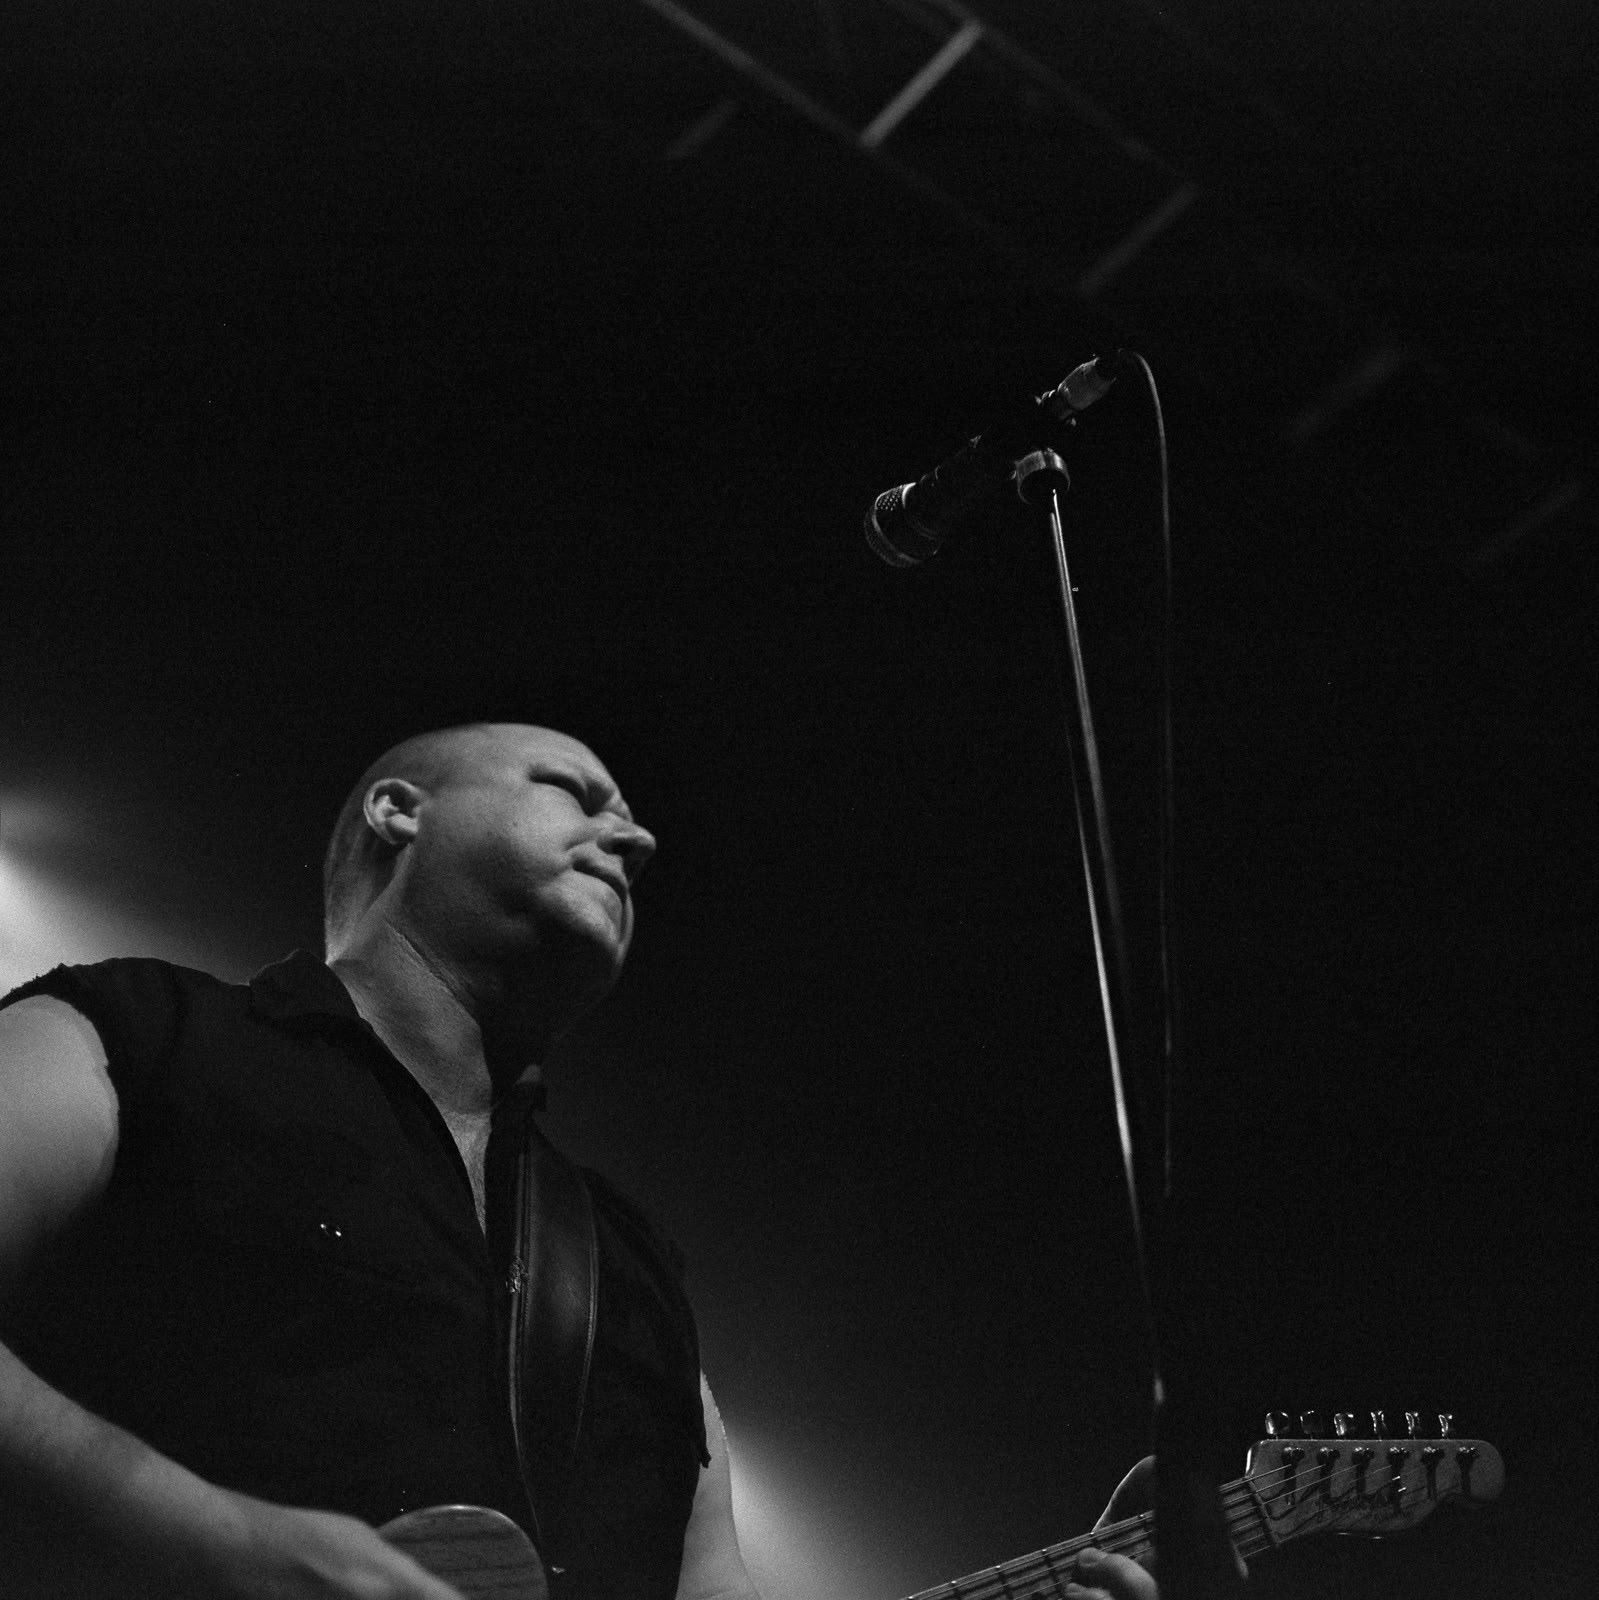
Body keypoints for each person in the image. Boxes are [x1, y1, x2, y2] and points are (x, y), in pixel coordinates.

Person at [0, 721, 1158, 1600]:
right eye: (575, 792)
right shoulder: (139, 1034)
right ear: (399, 812)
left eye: (632, 819)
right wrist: (222, 1541)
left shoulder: (626, 1262)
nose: (638, 837)